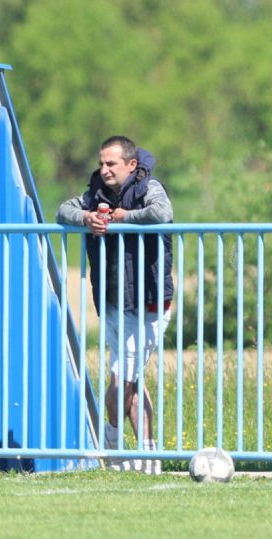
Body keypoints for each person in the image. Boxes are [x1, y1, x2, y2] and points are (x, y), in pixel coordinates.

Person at [57, 135, 174, 474]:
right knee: (129, 378)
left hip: (149, 301)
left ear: (131, 165)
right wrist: (86, 219)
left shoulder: (149, 187)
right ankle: (148, 460)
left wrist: (123, 218)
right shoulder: (95, 191)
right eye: (102, 163)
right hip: (112, 300)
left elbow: (163, 213)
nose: (105, 170)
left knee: (123, 377)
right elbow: (63, 209)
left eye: (111, 164)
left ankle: (111, 441)